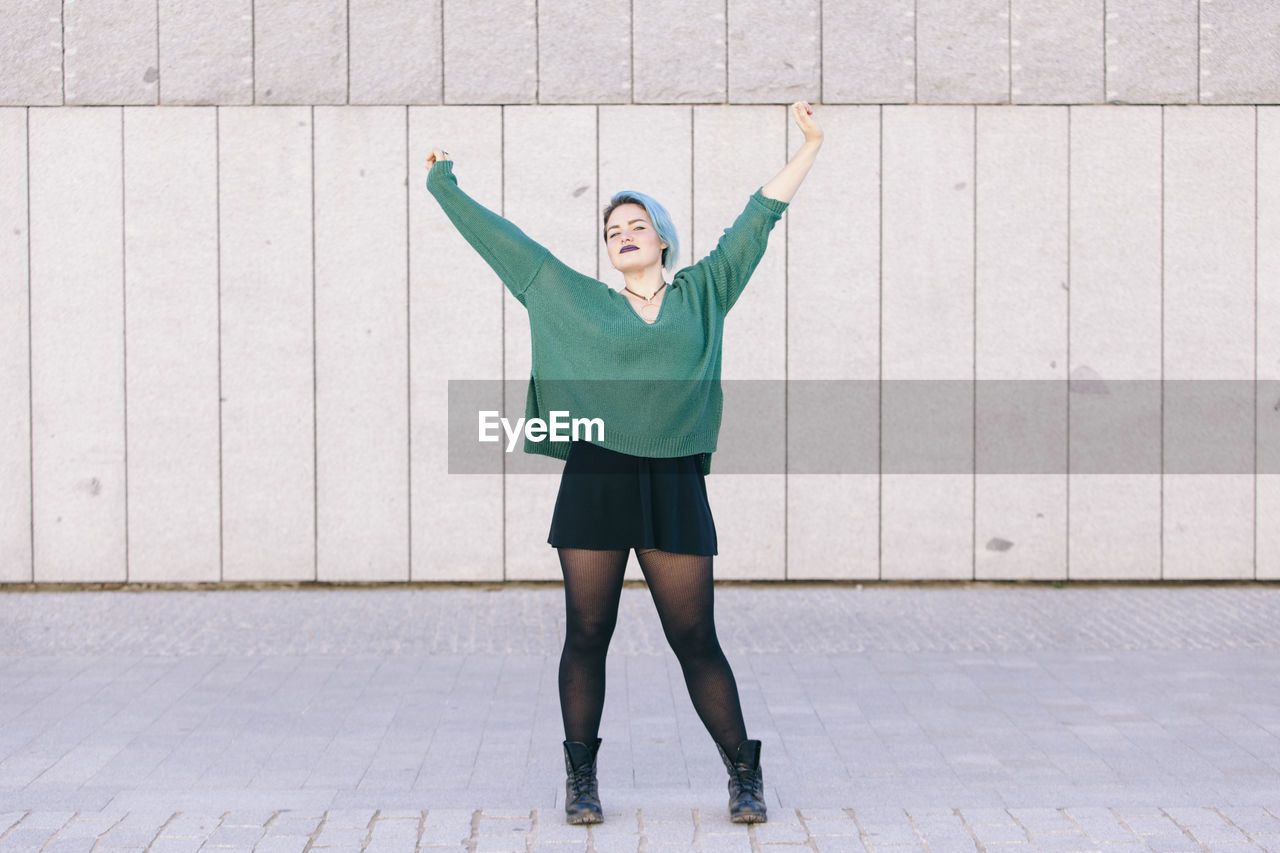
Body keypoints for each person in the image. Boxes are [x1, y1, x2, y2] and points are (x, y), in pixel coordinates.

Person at [424, 101, 823, 825]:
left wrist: (811, 143)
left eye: (636, 225)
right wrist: (445, 185)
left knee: (694, 636)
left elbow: (759, 217)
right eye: (612, 231)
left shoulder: (704, 292)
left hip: (671, 480)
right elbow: (503, 243)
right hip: (597, 478)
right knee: (587, 633)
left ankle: (744, 772)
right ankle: (581, 780)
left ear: (663, 238)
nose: (623, 237)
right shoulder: (571, 298)